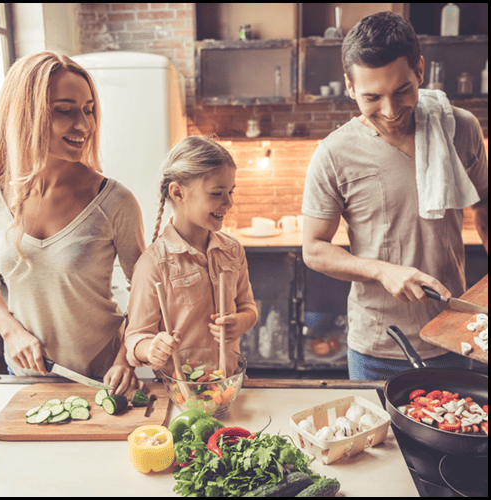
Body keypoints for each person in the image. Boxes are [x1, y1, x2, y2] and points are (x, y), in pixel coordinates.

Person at [302, 12, 488, 380]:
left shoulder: (460, 128)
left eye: (402, 90)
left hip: (453, 336)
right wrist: (381, 270)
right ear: (350, 87)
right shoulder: (333, 153)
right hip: (378, 346)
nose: (390, 111)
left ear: (420, 70)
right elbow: (314, 249)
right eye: (372, 97)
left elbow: (485, 205)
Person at [0, 51, 146, 394]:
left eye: (89, 110)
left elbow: (147, 291)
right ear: (25, 115)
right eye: (65, 111)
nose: (85, 125)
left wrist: (126, 358)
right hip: (25, 378)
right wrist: (10, 330)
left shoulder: (115, 201)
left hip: (105, 378)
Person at [125, 136, 258, 371]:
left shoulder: (232, 250)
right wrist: (151, 348)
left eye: (230, 191)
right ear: (178, 193)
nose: (228, 202)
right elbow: (135, 338)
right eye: (217, 193)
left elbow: (248, 307)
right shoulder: (153, 264)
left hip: (227, 382)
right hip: (181, 391)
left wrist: (241, 322)